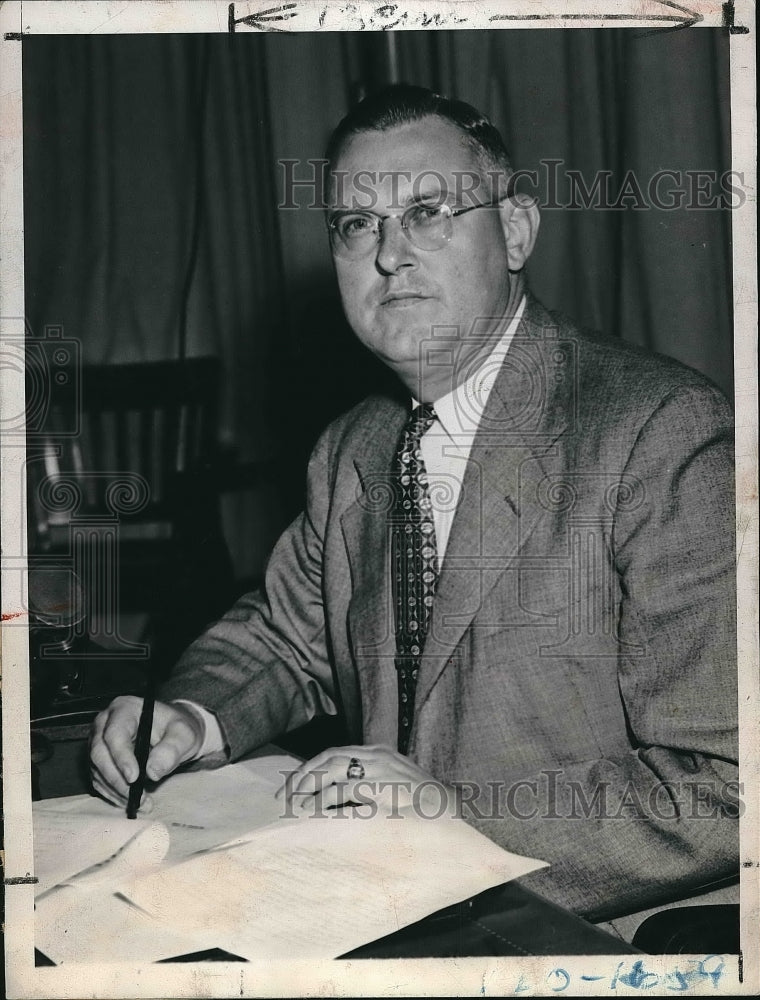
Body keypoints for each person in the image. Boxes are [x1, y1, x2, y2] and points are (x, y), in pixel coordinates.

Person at [90, 84, 738, 926]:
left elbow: (727, 784)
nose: (390, 254)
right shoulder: (354, 445)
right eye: (359, 225)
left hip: (598, 927)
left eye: (428, 212)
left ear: (515, 230)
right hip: (394, 905)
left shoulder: (658, 432)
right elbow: (289, 637)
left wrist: (444, 820)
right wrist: (192, 714)